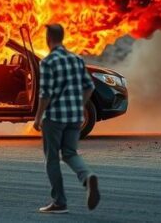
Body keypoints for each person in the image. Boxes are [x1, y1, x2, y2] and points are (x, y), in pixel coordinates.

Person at [33, 23, 100, 214]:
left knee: (52, 159)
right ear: (62, 38)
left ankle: (59, 202)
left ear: (49, 39)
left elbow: (44, 94)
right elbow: (89, 87)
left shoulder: (47, 62)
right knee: (70, 153)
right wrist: (79, 107)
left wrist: (38, 119)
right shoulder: (77, 59)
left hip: (54, 117)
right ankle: (88, 177)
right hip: (74, 116)